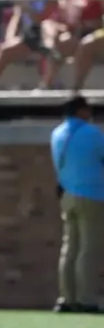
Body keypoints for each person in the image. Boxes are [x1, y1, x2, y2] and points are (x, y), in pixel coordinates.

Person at [50, 95, 104, 313]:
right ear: (81, 111)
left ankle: (66, 297)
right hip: (91, 193)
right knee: (88, 248)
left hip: (67, 193)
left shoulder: (57, 133)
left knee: (69, 247)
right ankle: (86, 298)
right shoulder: (91, 133)